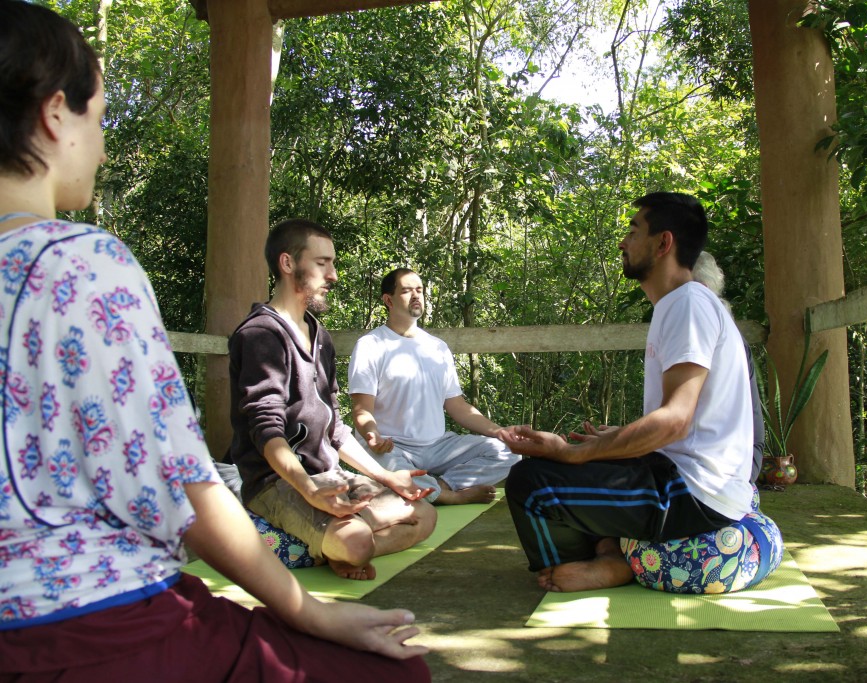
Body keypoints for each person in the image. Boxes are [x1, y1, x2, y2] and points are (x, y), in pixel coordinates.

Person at [0, 4, 430, 681]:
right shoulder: (84, 263)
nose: (104, 147)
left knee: (415, 513)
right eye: (99, 120)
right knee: (398, 669)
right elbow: (187, 482)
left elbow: (338, 427)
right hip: (90, 617)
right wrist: (309, 610)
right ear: (57, 114)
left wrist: (379, 478)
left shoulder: (316, 335)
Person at [498, 192, 754, 593]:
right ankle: (614, 552)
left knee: (531, 484)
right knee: (573, 464)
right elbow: (685, 425)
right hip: (676, 474)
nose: (623, 242)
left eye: (633, 231)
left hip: (696, 493)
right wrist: (610, 443)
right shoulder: (677, 304)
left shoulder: (688, 304)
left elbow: (675, 419)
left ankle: (604, 564)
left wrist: (573, 452)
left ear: (663, 243)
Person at [227, 220, 437, 580]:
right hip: (278, 482)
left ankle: (326, 546)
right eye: (323, 263)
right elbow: (266, 432)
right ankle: (342, 542)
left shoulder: (319, 335)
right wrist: (309, 491)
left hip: (330, 474)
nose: (334, 275)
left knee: (425, 515)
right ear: (288, 263)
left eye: (332, 263)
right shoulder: (260, 334)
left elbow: (335, 429)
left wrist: (387, 478)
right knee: (356, 543)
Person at [348, 268, 519, 505]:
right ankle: (451, 497)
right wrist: (373, 437)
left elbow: (457, 406)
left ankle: (441, 487)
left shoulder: (437, 347)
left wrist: (500, 432)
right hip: (391, 446)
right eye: (407, 291)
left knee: (509, 452)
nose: (416, 296)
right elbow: (361, 409)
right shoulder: (371, 345)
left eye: (420, 290)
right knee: (392, 473)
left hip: (438, 447)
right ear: (388, 300)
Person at [691, 251, 765, 484]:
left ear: (699, 286)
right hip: (719, 454)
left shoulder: (709, 324)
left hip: (736, 463)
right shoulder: (705, 317)